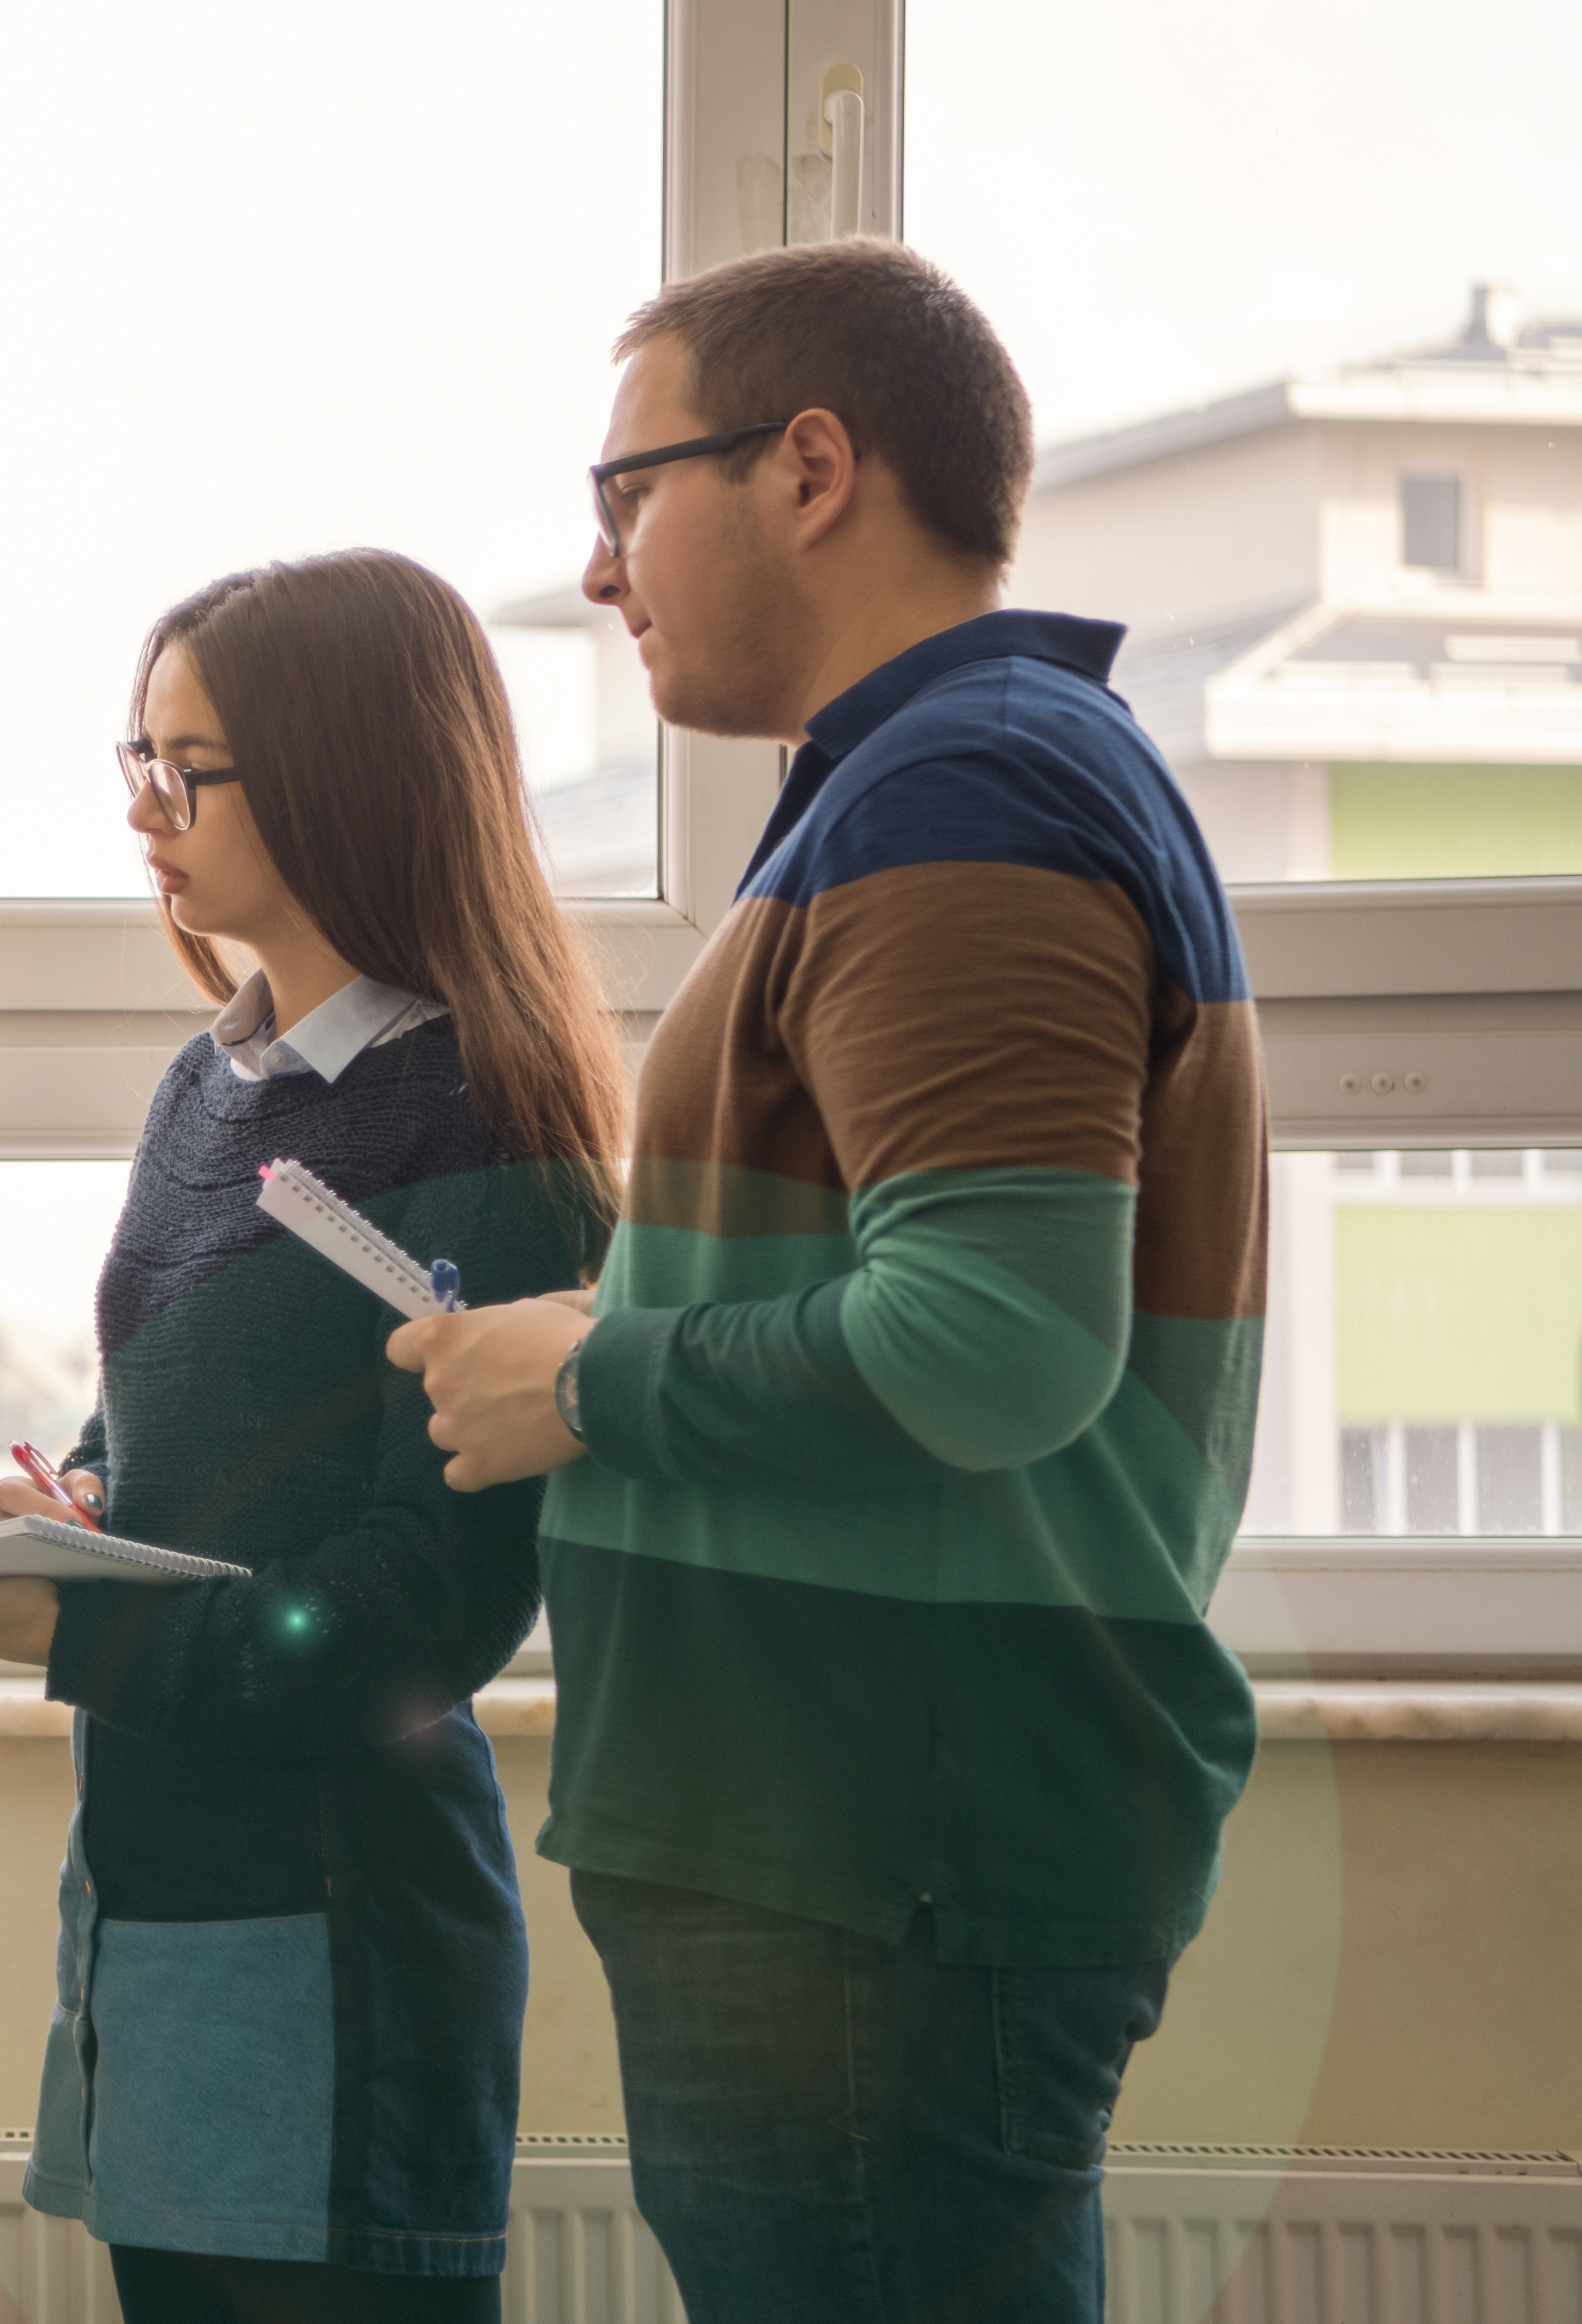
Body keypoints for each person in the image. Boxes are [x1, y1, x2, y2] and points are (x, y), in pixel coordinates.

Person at [392, 240, 1267, 2324]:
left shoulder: (970, 789)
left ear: (808, 465)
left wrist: (588, 1378)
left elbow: (996, 1343)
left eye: (626, 495)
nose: (601, 571)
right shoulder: (928, 785)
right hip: (858, 1847)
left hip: (880, 1858)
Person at [0, 549, 627, 2323]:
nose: (147, 809)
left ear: (353, 772)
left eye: (188, 768)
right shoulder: (213, 1084)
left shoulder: (482, 1114)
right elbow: (182, 1424)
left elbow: (423, 1605)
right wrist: (75, 1510)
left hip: (340, 1922)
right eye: (137, 758)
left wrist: (76, 1624)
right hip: (167, 1877)